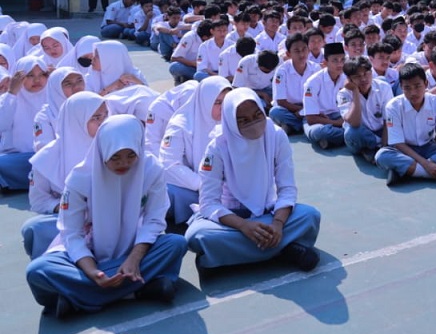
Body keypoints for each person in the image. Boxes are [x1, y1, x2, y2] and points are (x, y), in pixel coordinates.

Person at [25, 115, 188, 319]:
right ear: (102, 150)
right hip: (88, 250)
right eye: (115, 157)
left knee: (177, 243)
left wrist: (133, 259)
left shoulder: (151, 168)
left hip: (133, 245)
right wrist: (93, 271)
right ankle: (136, 291)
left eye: (131, 155)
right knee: (38, 270)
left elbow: (154, 220)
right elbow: (71, 233)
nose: (124, 163)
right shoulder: (80, 178)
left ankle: (78, 298)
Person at [185, 88, 322, 273]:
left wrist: (278, 224)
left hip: (268, 214)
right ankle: (283, 249)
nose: (254, 123)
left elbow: (287, 188)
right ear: (232, 121)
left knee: (310, 215)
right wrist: (243, 226)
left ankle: (235, 256)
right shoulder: (217, 147)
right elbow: (209, 203)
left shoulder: (276, 135)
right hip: (230, 219)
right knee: (198, 235)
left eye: (258, 115)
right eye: (244, 120)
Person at [22, 91, 107, 259]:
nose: (104, 122)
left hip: (110, 216)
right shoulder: (47, 158)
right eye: (96, 118)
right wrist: (72, 208)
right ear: (77, 120)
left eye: (106, 115)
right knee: (34, 228)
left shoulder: (113, 147)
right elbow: (38, 201)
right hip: (68, 217)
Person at [159, 77, 232, 225]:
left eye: (226, 101)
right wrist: (204, 184)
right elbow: (169, 165)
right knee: (169, 191)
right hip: (195, 186)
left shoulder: (231, 118)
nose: (223, 107)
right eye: (217, 102)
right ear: (205, 100)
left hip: (226, 187)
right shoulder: (180, 124)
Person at [0, 56, 49, 191]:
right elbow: (2, 124)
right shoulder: (8, 98)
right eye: (30, 75)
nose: (37, 80)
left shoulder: (53, 95)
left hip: (47, 155)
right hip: (17, 158)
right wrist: (12, 93)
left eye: (42, 75)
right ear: (18, 78)